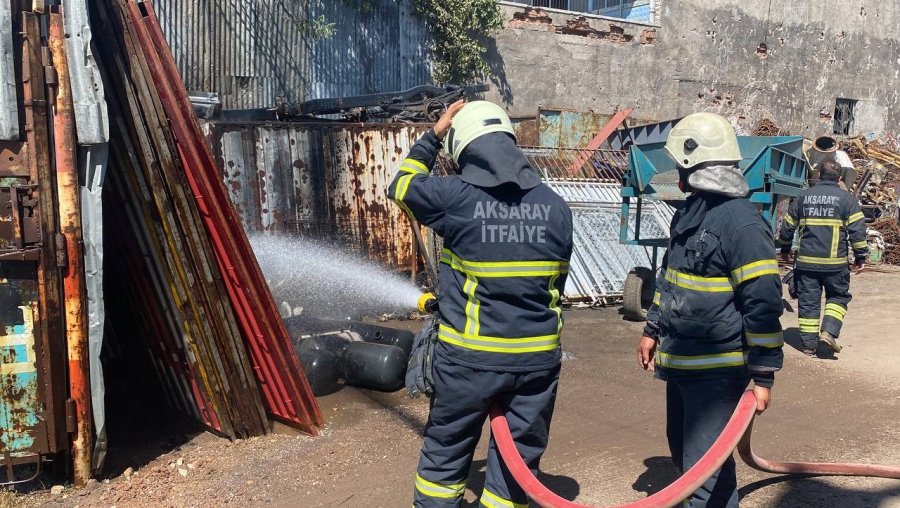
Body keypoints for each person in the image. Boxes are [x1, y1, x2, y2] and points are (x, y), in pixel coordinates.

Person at [388, 100, 574, 507]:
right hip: (536, 363)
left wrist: (432, 137)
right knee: (518, 462)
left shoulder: (454, 196)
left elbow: (400, 185)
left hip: (469, 360)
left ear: (464, 149)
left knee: (446, 452)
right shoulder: (557, 208)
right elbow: (555, 282)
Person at [636, 112, 784, 507]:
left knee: (704, 476)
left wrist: (764, 372)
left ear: (693, 164)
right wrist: (652, 328)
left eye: (678, 166)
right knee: (687, 461)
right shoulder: (691, 213)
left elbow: (764, 302)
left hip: (717, 372)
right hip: (683, 362)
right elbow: (670, 278)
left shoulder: (742, 224)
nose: (673, 174)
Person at [778, 159, 868, 356]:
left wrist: (785, 249)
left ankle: (809, 346)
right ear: (840, 178)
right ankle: (829, 332)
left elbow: (787, 227)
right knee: (838, 297)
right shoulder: (847, 199)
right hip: (836, 265)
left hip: (806, 264)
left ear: (818, 175)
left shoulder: (803, 197)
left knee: (808, 302)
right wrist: (860, 257)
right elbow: (858, 231)